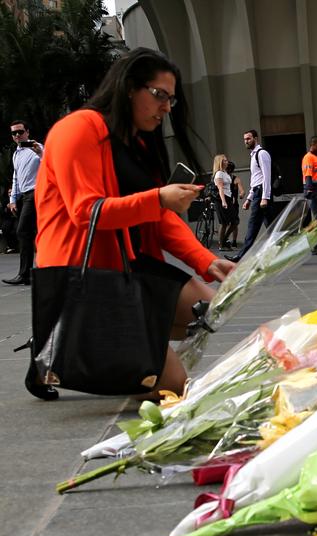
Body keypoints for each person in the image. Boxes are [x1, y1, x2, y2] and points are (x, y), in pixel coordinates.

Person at [31, 47, 235, 400]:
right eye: (159, 95)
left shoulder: (136, 143)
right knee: (174, 387)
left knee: (208, 310)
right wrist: (158, 198)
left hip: (126, 265)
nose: (166, 107)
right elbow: (87, 211)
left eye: (170, 99)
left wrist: (205, 260)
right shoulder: (77, 129)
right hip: (80, 270)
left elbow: (159, 218)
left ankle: (85, 343)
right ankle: (60, 348)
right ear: (128, 88)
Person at [4, 119, 43, 285]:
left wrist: (40, 153)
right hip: (25, 196)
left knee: (22, 230)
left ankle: (25, 273)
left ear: (27, 132)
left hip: (37, 192)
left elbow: (51, 163)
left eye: (20, 132)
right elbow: (16, 178)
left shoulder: (37, 148)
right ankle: (31, 273)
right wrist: (12, 200)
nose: (17, 135)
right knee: (30, 232)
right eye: (14, 133)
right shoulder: (16, 154)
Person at [236, 128, 273, 260]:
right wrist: (249, 199)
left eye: (248, 138)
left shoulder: (261, 154)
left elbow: (266, 177)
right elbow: (255, 179)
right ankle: (286, 250)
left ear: (255, 139)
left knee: (253, 225)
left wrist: (264, 197)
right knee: (272, 226)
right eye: (245, 139)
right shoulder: (253, 155)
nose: (246, 141)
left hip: (262, 193)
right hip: (257, 192)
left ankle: (241, 256)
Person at [212, 154, 239, 252]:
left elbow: (228, 188)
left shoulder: (225, 173)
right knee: (224, 223)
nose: (227, 162)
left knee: (235, 221)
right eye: (224, 160)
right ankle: (221, 244)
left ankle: (223, 241)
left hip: (228, 198)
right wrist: (223, 201)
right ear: (220, 162)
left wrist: (231, 198)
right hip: (221, 200)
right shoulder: (219, 173)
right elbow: (220, 189)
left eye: (227, 160)